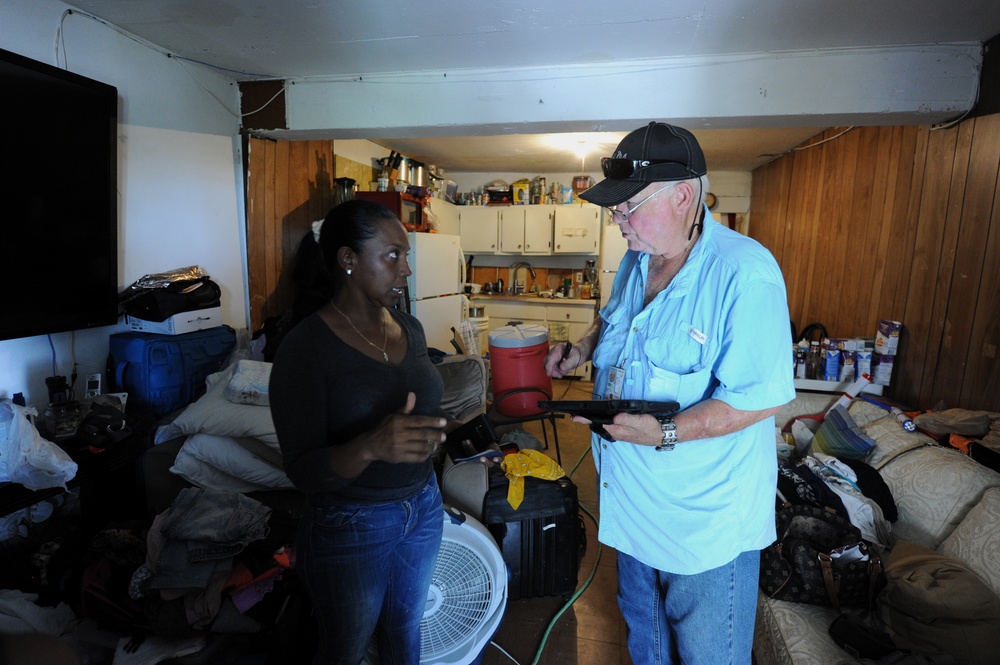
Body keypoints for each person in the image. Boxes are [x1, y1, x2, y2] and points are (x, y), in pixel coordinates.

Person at [545, 122, 795, 664]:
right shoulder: (638, 258)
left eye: (627, 206)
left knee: (708, 656)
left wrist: (662, 431)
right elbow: (614, 321)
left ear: (683, 196)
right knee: (648, 647)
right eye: (613, 209)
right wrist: (584, 348)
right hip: (631, 509)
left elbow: (761, 398)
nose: (617, 220)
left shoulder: (745, 275)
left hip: (702, 526)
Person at [269, 199, 448, 664]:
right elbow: (303, 471)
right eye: (392, 255)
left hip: (423, 505)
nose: (405, 270)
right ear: (348, 260)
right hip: (352, 523)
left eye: (405, 256)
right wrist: (372, 444)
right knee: (345, 648)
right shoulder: (305, 348)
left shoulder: (409, 325)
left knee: (406, 630)